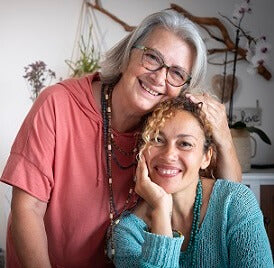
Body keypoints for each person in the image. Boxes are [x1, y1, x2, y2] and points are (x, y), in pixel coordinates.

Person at [0, 10, 241, 268]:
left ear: (184, 88)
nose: (159, 77)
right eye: (152, 57)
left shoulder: (164, 136)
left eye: (177, 73)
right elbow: (28, 209)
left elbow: (229, 198)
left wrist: (222, 135)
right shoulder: (58, 104)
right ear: (128, 54)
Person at [108, 96, 273, 267]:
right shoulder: (128, 232)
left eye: (185, 143)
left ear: (206, 157)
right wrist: (161, 209)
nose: (169, 155)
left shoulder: (235, 202)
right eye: (157, 139)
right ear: (143, 150)